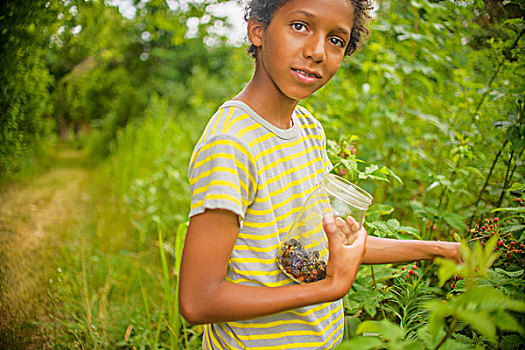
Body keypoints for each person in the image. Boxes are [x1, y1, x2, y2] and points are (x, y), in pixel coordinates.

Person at [178, 0, 462, 348]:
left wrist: (439, 250)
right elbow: (198, 301)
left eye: (336, 40)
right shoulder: (231, 145)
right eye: (300, 26)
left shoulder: (308, 129)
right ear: (258, 30)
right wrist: (329, 288)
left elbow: (321, 245)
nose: (317, 52)